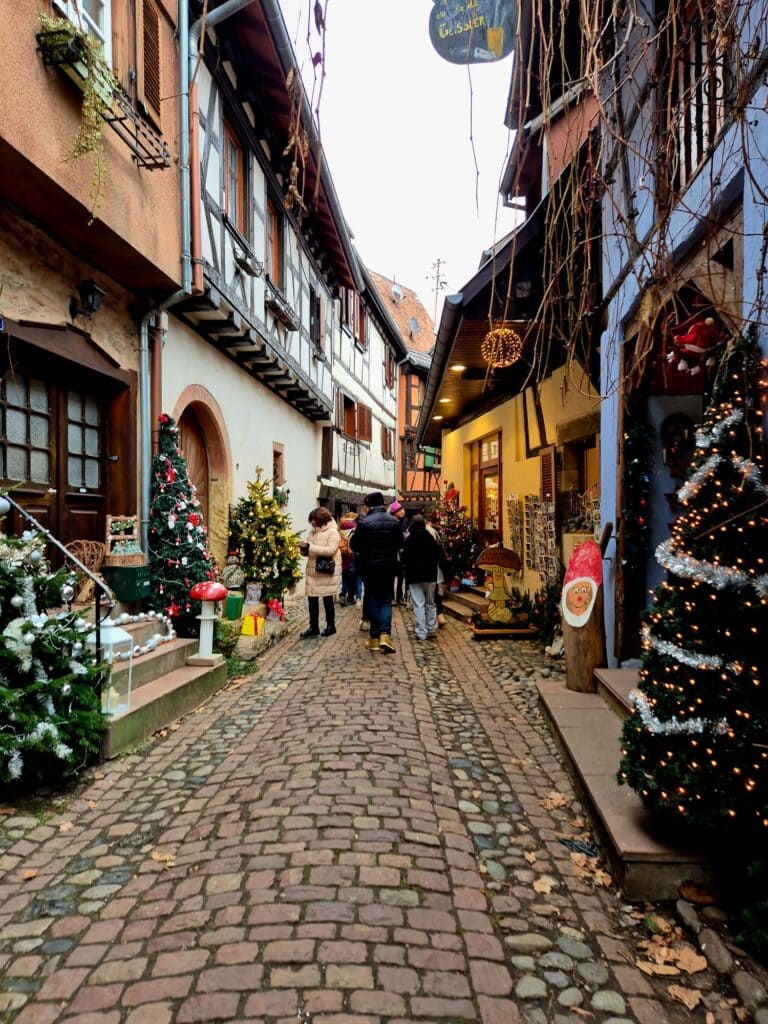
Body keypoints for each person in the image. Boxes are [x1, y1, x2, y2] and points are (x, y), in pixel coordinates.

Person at [350, 491, 402, 653]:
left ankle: (374, 638)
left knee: (372, 600)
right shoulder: (394, 521)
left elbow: (355, 545)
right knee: (386, 599)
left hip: (369, 568)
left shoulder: (364, 522)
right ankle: (385, 635)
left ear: (368, 506)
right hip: (388, 566)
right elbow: (400, 543)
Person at [299, 507, 341, 638]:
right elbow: (310, 551)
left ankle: (330, 626)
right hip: (313, 571)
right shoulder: (312, 532)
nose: (312, 523)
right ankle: (314, 627)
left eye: (313, 520)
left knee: (327, 598)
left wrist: (310, 547)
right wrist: (304, 549)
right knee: (312, 599)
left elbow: (330, 550)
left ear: (321, 519)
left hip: (325, 570)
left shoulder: (333, 532)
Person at [402, 515, 441, 640]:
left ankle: (421, 632)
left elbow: (404, 559)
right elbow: (438, 555)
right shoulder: (430, 538)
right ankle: (432, 629)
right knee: (430, 602)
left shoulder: (410, 539)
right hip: (430, 576)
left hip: (414, 576)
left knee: (419, 604)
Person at [426, 510, 448, 628]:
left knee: (431, 594)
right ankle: (439, 616)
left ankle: (436, 618)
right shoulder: (435, 532)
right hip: (436, 567)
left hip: (430, 568)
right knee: (436, 593)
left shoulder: (428, 531)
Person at [338, 511, 362, 606]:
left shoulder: (340, 527)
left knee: (345, 579)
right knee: (357, 579)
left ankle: (343, 595)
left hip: (343, 557)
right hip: (353, 557)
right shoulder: (355, 527)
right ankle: (356, 598)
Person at [389, 500, 409, 605]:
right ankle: (392, 597)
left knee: (401, 576)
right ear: (394, 512)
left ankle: (399, 597)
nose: (402, 511)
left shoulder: (405, 521)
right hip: (392, 552)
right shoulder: (391, 521)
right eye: (399, 510)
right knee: (392, 576)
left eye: (402, 509)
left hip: (402, 552)